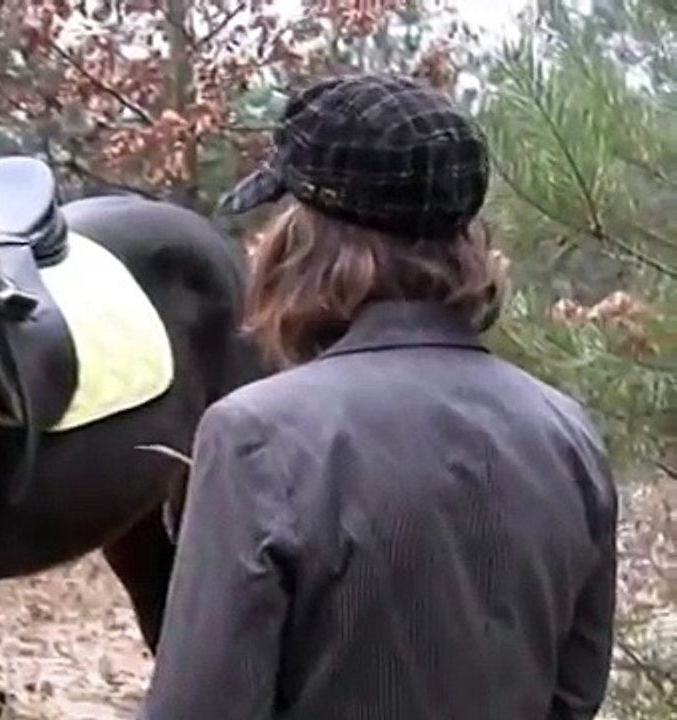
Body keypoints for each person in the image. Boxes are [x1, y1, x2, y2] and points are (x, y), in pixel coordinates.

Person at [139, 73, 618, 719]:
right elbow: (576, 694)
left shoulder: (256, 435)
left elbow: (201, 708)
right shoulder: (567, 433)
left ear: (306, 241)